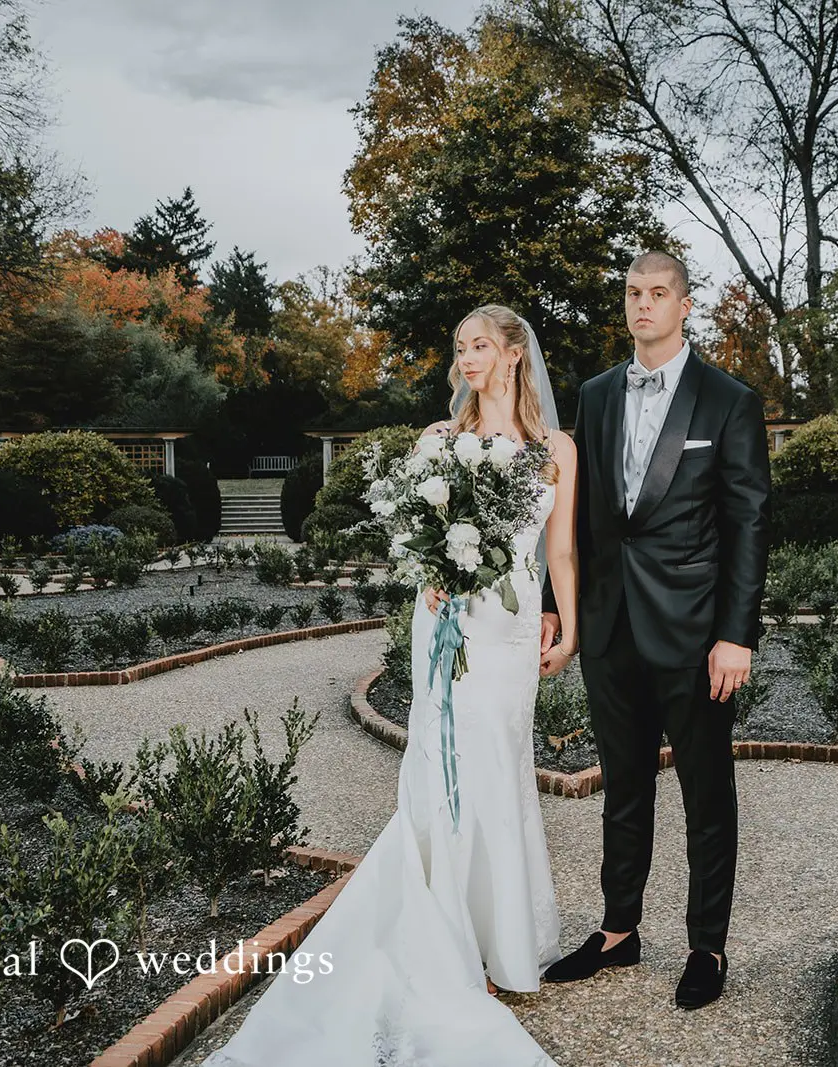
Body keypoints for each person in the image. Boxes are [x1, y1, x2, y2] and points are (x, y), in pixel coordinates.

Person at [204, 305, 578, 1067]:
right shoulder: (438, 440)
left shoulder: (555, 450)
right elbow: (414, 536)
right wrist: (432, 577)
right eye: (459, 347)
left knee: (498, 764)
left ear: (513, 354)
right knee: (446, 768)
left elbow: (561, 551)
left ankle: (495, 937)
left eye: (479, 345)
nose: (467, 358)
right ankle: (448, 943)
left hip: (509, 633)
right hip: (446, 624)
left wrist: (567, 626)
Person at [540, 251, 771, 1010]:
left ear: (685, 305)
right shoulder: (598, 394)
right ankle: (618, 930)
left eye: (658, 293)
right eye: (634, 293)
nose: (644, 304)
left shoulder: (728, 400)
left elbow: (747, 522)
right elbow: (571, 509)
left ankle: (707, 944)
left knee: (707, 793)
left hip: (697, 634)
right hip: (609, 625)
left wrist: (736, 634)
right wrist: (554, 600)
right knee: (624, 789)